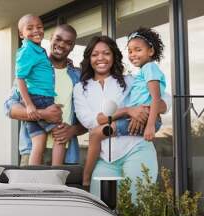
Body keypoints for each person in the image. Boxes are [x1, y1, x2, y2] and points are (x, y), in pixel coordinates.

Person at [73, 35, 171, 201]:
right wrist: (127, 111)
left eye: (106, 53)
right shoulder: (80, 88)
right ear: (89, 58)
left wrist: (144, 110)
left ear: (114, 56)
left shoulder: (129, 80)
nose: (101, 58)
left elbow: (165, 100)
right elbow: (90, 121)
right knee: (102, 208)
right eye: (95, 54)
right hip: (104, 158)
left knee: (138, 206)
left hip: (137, 148)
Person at [4, 24, 86, 166]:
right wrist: (43, 114)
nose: (61, 45)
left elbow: (87, 120)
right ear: (50, 38)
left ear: (73, 47)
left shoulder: (78, 77)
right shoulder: (33, 69)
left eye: (68, 43)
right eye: (58, 39)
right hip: (32, 151)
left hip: (66, 154)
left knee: (60, 188)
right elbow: (9, 108)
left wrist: (72, 130)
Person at [15, 14, 67, 165]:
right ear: (21, 34)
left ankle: (33, 177)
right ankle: (56, 173)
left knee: (39, 140)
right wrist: (30, 104)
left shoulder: (37, 50)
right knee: (60, 133)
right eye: (29, 28)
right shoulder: (27, 51)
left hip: (39, 98)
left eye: (39, 27)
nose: (36, 31)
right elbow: (20, 78)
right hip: (39, 98)